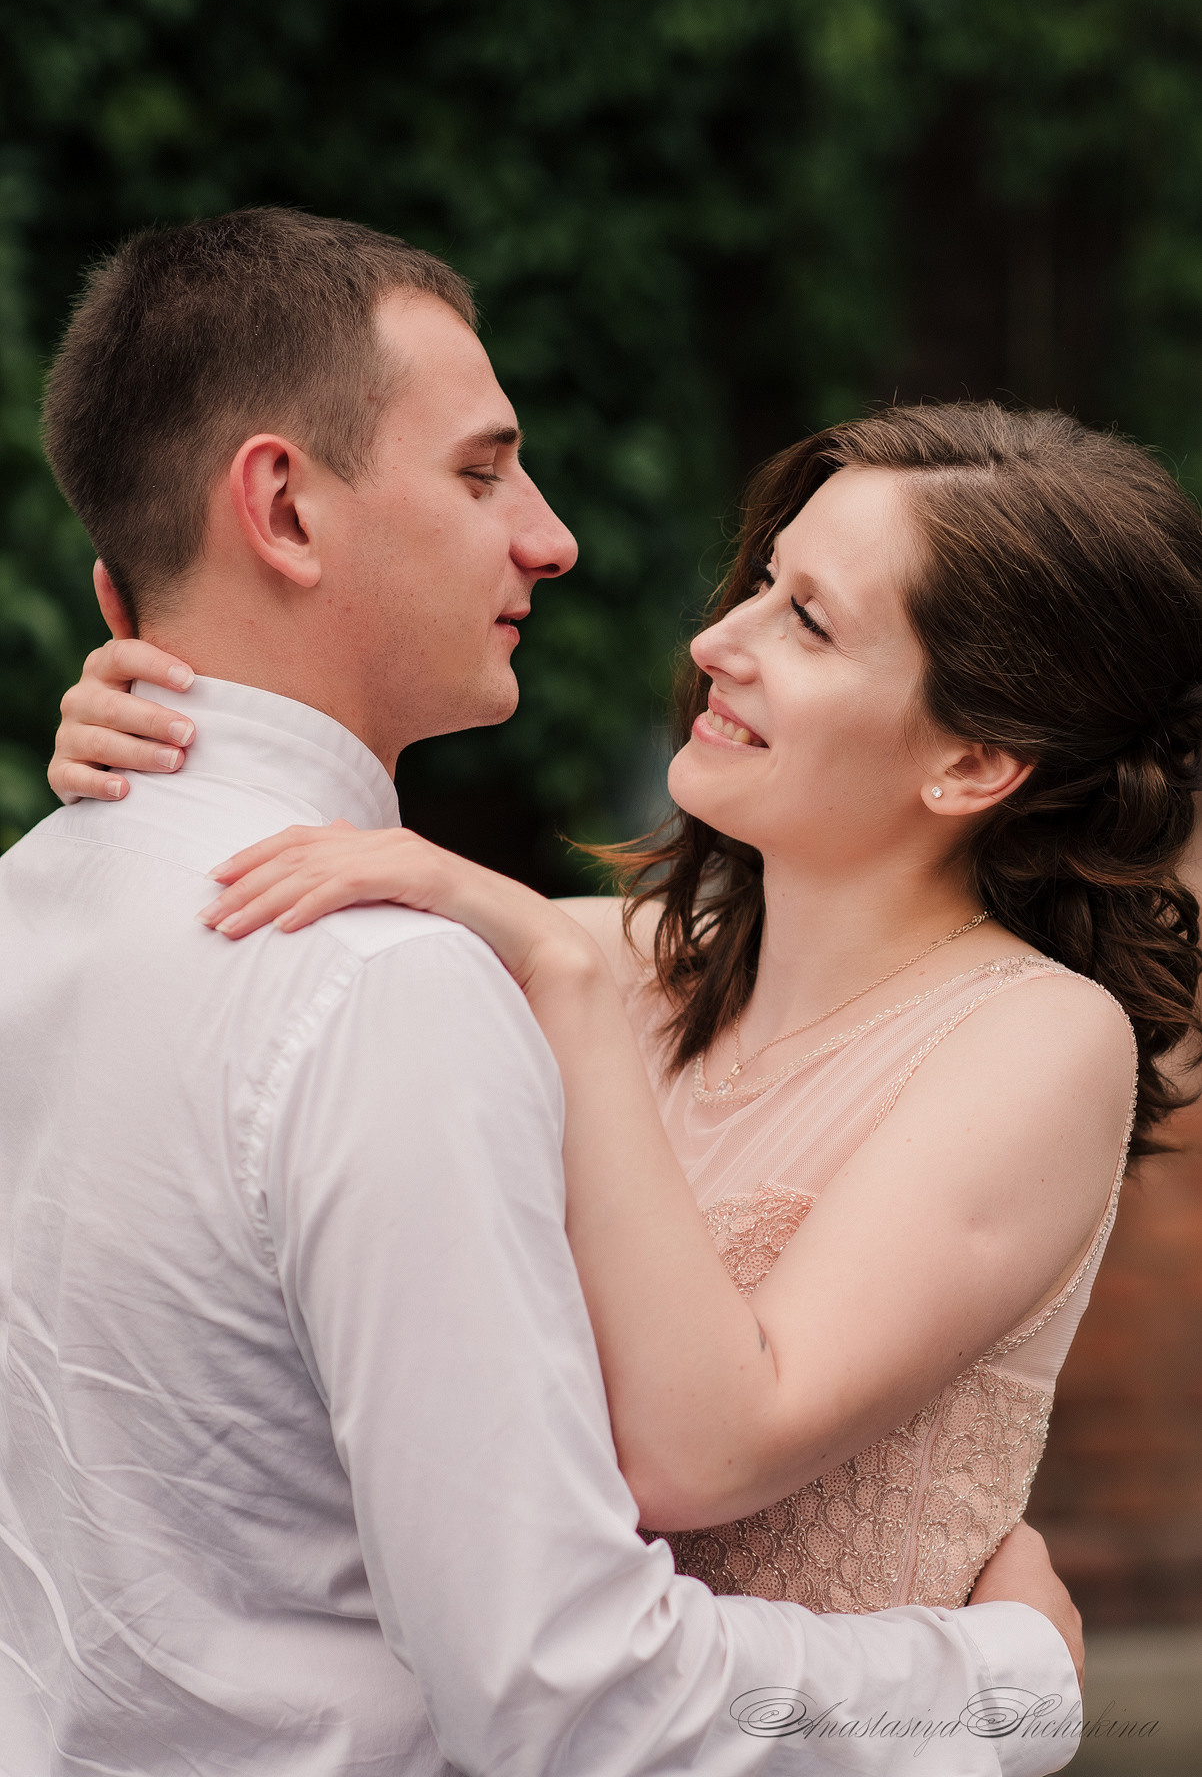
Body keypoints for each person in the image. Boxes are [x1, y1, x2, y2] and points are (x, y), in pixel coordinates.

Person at [1, 207, 1084, 1777]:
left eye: (808, 616)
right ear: (284, 510)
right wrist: (999, 1679)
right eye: (481, 468)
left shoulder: (43, 898)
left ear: (981, 760)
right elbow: (568, 1692)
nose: (555, 539)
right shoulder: (396, 985)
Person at [64, 401, 1202, 1636]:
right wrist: (169, 736)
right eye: (762, 584)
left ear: (974, 764)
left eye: (809, 624)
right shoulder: (592, 957)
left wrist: (559, 976)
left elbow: (705, 1455)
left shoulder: (1039, 1041)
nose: (719, 639)